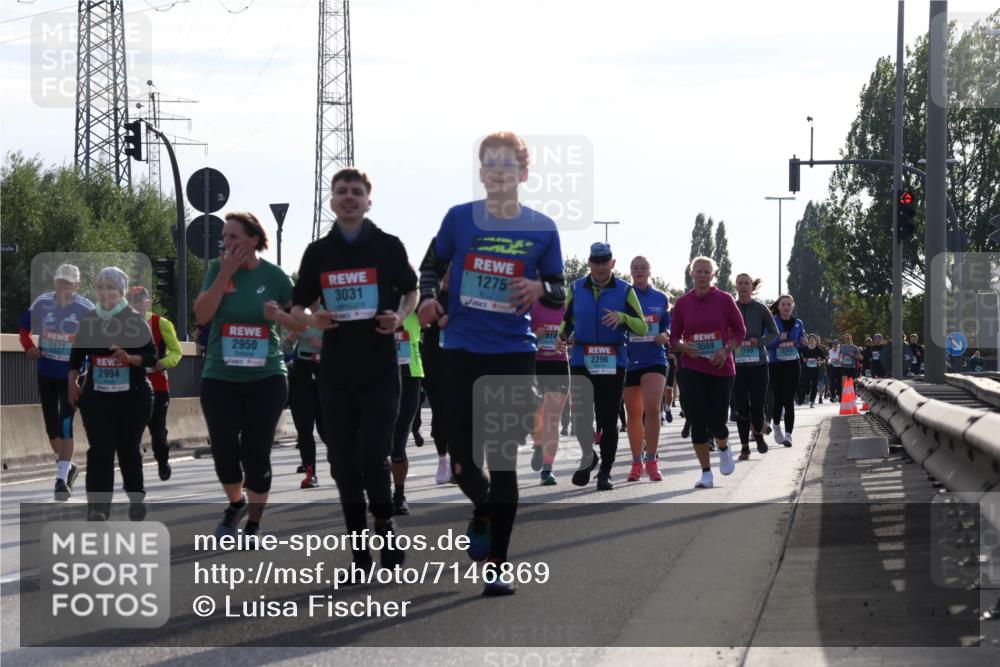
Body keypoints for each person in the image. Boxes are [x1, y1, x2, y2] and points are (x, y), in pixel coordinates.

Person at [418, 132, 564, 596]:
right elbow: (429, 267)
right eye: (491, 164)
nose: (499, 171)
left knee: (502, 461)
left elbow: (561, 292)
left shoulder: (542, 228)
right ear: (482, 173)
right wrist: (425, 300)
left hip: (512, 354)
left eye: (508, 164)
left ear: (523, 173)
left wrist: (541, 290)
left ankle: (497, 565)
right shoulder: (459, 219)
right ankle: (482, 508)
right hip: (459, 351)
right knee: (462, 464)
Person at [293, 168, 417, 570]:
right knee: (342, 463)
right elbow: (298, 305)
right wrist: (313, 318)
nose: (349, 197)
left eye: (357, 192)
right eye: (341, 191)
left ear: (368, 200)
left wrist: (398, 317)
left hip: (380, 370)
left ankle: (383, 525)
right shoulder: (318, 253)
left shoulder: (387, 246)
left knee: (371, 456)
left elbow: (412, 291)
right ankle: (359, 550)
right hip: (335, 373)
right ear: (331, 200)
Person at [195, 211, 298, 541]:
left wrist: (280, 315)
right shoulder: (217, 270)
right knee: (224, 450)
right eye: (224, 238)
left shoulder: (276, 277)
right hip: (220, 375)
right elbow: (201, 315)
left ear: (254, 240)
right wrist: (224, 273)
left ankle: (254, 523)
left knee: (256, 452)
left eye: (234, 237)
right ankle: (236, 503)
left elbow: (301, 321)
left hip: (265, 378)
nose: (227, 243)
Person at [68, 267, 156, 521]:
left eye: (111, 288)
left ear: (121, 292)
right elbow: (76, 355)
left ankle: (135, 496)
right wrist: (72, 381)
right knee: (100, 450)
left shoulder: (133, 320)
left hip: (133, 397)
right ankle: (98, 508)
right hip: (98, 397)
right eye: (101, 287)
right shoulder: (90, 319)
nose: (105, 293)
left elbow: (151, 356)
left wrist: (129, 357)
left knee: (128, 449)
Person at [559, 242, 647, 491]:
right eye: (595, 262)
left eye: (604, 262)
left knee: (608, 420)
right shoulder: (576, 288)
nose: (599, 267)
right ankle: (589, 456)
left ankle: (605, 471)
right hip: (581, 359)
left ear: (612, 263)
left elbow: (641, 326)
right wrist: (560, 336)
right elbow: (566, 321)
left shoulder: (625, 290)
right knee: (581, 417)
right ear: (589, 263)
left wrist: (623, 318)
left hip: (613, 361)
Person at [18, 263, 94, 501]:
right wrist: (28, 347)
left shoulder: (86, 309)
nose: (64, 287)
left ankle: (61, 480)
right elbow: (23, 328)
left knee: (65, 423)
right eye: (60, 282)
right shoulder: (42, 303)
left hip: (71, 375)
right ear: (54, 282)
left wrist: (86, 373)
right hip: (46, 371)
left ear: (77, 286)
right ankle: (67, 466)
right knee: (52, 427)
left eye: (69, 284)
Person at [669, 257, 745, 488]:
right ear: (691, 274)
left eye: (706, 272)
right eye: (698, 271)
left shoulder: (724, 299)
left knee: (717, 422)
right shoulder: (682, 303)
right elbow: (673, 338)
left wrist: (726, 349)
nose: (702, 275)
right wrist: (682, 347)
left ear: (713, 276)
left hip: (721, 368)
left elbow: (740, 332)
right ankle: (705, 473)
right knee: (698, 421)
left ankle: (723, 446)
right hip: (692, 368)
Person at [622, 256, 670, 482]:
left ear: (650, 271)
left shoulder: (660, 297)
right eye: (635, 268)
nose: (639, 271)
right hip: (629, 360)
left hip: (654, 358)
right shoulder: (623, 295)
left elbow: (668, 325)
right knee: (633, 413)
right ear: (630, 271)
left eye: (643, 268)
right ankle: (635, 461)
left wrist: (665, 334)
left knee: (652, 408)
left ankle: (652, 461)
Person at [127, 286, 182, 481]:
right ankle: (134, 469)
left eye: (139, 300)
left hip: (158, 384)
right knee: (131, 432)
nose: (136, 304)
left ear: (148, 302)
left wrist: (163, 363)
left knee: (157, 430)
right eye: (132, 300)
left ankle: (162, 460)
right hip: (131, 385)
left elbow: (177, 351)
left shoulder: (161, 323)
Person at [732, 273, 779, 460]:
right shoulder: (730, 308)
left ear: (752, 287)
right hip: (737, 366)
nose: (743, 287)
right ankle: (745, 447)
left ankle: (758, 434)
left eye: (747, 284)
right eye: (740, 284)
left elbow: (774, 332)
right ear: (735, 287)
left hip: (759, 365)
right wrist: (730, 342)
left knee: (758, 408)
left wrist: (759, 341)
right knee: (741, 409)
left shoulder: (760, 309)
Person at [286, 302, 326, 487]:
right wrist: (291, 337)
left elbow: (345, 346)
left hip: (326, 371)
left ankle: (342, 463)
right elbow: (285, 347)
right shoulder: (299, 317)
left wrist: (323, 345)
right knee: (304, 428)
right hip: (302, 370)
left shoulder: (330, 315)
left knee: (327, 429)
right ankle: (311, 473)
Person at [530, 299, 569, 485]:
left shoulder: (567, 307)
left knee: (552, 419)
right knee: (535, 416)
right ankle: (538, 444)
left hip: (559, 365)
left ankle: (547, 470)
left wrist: (571, 339)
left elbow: (576, 331)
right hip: (536, 365)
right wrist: (535, 335)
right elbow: (516, 333)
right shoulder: (532, 305)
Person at [419, 271, 453, 484]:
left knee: (459, 411)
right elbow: (421, 322)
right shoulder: (429, 298)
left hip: (459, 361)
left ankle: (459, 460)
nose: (448, 275)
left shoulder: (465, 297)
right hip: (434, 361)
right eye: (446, 271)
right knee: (440, 412)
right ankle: (443, 460)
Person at [391, 310, 425, 514]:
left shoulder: (414, 304)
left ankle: (399, 495)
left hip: (410, 374)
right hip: (379, 375)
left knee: (398, 443)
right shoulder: (373, 304)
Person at [766, 295, 806, 447]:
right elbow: (766, 344)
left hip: (792, 364)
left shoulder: (798, 323)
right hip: (776, 364)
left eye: (789, 304)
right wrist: (778, 339)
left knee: (789, 399)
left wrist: (802, 342)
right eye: (783, 304)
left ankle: (788, 435)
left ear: (793, 306)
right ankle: (776, 426)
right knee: (779, 399)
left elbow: (801, 341)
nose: (786, 307)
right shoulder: (772, 321)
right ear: (779, 306)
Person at [800, 334, 825, 408]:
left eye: (813, 338)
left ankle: (812, 401)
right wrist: (803, 359)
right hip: (807, 369)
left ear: (815, 340)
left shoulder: (817, 349)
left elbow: (823, 358)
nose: (812, 340)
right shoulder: (804, 349)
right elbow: (800, 356)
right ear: (808, 340)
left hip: (815, 369)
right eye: (810, 338)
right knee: (806, 384)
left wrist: (821, 362)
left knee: (814, 386)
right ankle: (807, 395)